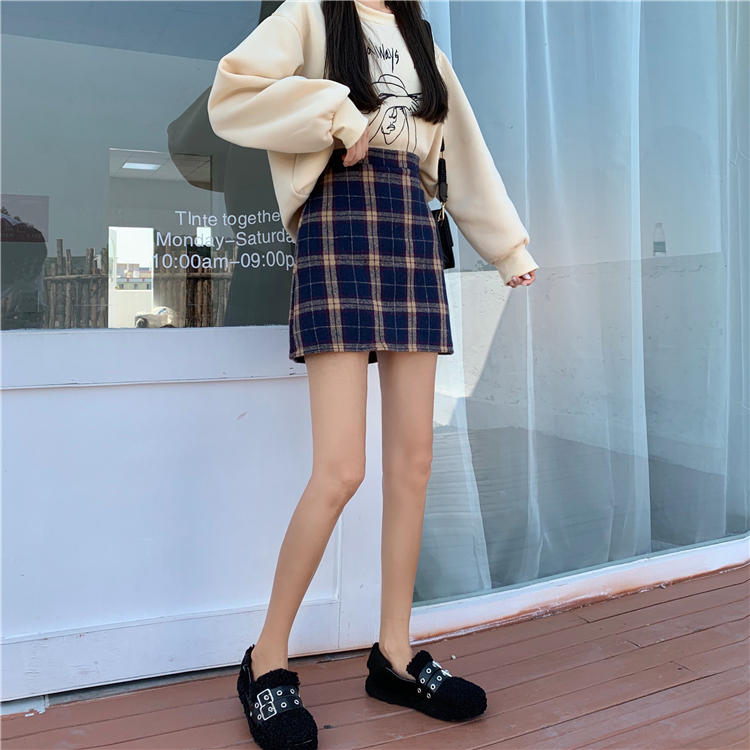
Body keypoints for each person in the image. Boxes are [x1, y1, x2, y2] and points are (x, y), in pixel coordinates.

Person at [207, 1, 538, 747]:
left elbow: (463, 149)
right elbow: (233, 92)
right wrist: (334, 113)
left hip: (412, 228)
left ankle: (393, 653)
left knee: (415, 464)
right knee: (341, 470)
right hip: (338, 221)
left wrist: (507, 247)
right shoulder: (311, 14)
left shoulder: (421, 42)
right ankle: (266, 660)